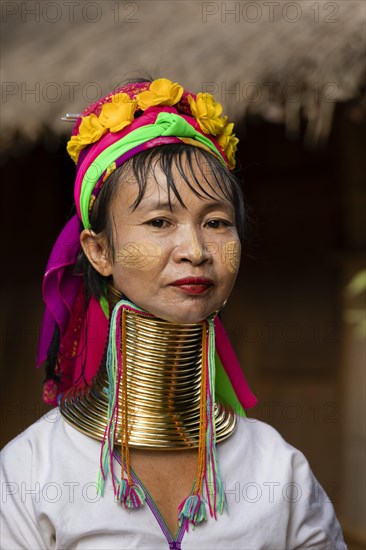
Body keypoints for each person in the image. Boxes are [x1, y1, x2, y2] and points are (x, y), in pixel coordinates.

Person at [0, 78, 346, 549]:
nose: (196, 250)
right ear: (99, 251)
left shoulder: (279, 470)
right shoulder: (30, 473)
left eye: (217, 222)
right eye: (160, 222)